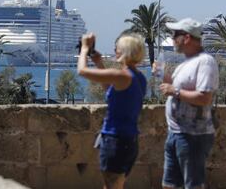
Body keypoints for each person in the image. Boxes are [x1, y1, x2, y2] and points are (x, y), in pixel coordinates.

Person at [77, 33, 147, 189]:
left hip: (115, 140)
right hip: (130, 140)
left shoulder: (121, 75)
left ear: (124, 51)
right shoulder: (139, 77)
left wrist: (84, 48)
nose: (115, 49)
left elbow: (82, 71)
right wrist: (99, 62)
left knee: (111, 185)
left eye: (117, 47)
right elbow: (110, 89)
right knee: (116, 185)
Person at [159, 18, 218, 189]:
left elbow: (204, 97)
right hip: (176, 133)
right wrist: (163, 75)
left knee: (192, 185)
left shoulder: (205, 62)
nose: (172, 38)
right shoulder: (187, 63)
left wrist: (174, 91)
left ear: (186, 38)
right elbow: (175, 89)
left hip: (193, 136)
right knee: (169, 185)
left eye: (175, 34)